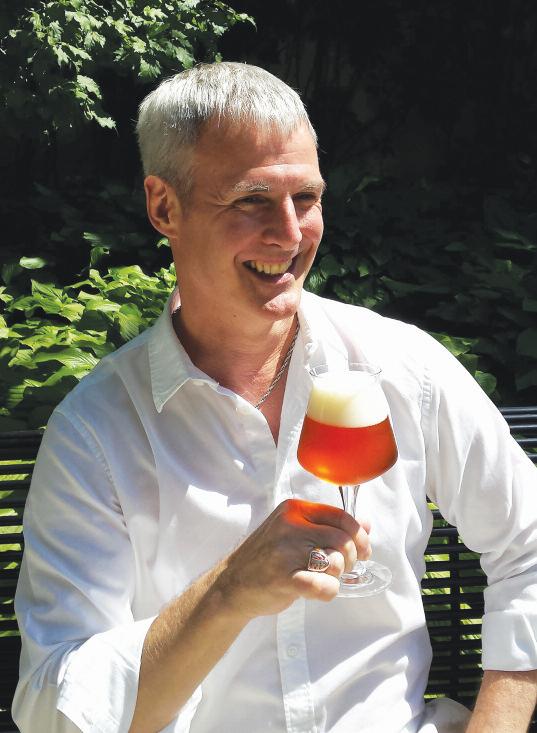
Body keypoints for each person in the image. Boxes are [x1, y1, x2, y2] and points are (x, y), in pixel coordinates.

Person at [12, 62, 537, 733]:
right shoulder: (99, 429)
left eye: (306, 198)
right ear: (164, 206)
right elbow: (53, 708)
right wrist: (228, 591)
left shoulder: (397, 367)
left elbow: (527, 542)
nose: (289, 234)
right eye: (251, 200)